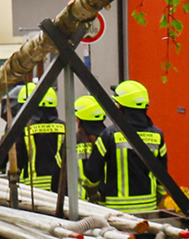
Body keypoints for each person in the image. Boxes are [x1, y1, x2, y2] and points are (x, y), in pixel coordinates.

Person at [103, 80, 170, 215]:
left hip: (116, 211)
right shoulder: (157, 135)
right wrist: (157, 198)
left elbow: (92, 172)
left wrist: (95, 195)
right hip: (148, 208)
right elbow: (163, 173)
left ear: (120, 107)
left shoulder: (109, 135)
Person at [10, 86, 65, 203]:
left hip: (30, 187)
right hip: (59, 187)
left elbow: (17, 157)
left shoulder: (24, 127)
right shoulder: (64, 127)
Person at [71, 95, 109, 205]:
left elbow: (58, 176)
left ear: (80, 119)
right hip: (105, 203)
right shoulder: (110, 139)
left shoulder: (71, 142)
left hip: (78, 204)